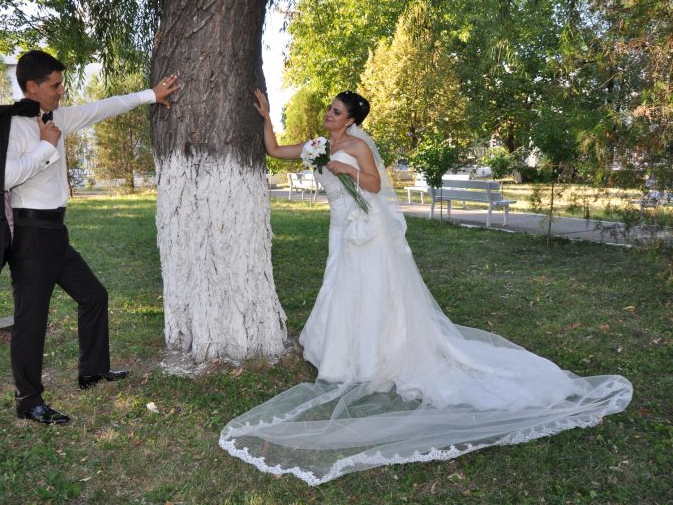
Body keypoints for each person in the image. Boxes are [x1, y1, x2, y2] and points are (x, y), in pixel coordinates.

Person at [218, 90, 633, 485]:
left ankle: (378, 355)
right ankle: (344, 355)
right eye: (329, 109)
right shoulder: (317, 146)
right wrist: (267, 117)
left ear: (352, 119)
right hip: (342, 230)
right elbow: (275, 150)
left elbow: (374, 186)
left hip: (369, 232)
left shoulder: (358, 147)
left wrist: (347, 170)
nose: (328, 115)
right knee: (342, 289)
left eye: (336, 112)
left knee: (373, 291)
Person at [0, 50, 180, 425]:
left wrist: (151, 94)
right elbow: (3, 178)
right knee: (31, 320)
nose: (61, 90)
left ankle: (92, 372)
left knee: (94, 295)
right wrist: (46, 146)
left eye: (61, 83)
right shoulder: (13, 125)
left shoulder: (58, 116)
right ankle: (28, 402)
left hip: (55, 232)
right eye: (55, 85)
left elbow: (101, 108)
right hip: (30, 235)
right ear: (32, 86)